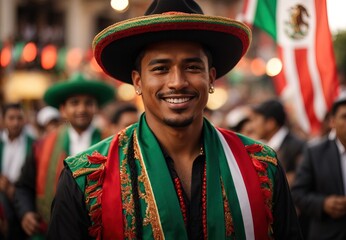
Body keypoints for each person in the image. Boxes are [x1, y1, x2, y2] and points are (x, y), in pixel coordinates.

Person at [48, 1, 302, 239]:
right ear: (138, 81)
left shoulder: (262, 166)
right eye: (160, 68)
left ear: (211, 78)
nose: (178, 82)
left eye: (192, 67)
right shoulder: (86, 178)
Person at [14, 73, 114, 238]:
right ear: (63, 109)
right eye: (74, 103)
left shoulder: (111, 143)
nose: (82, 109)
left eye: (88, 103)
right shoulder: (42, 146)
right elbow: (23, 186)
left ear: (95, 107)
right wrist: (26, 212)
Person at [291, 96, 346, 240]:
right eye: (344, 117)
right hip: (328, 233)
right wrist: (323, 204)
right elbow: (297, 193)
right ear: (332, 122)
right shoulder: (314, 152)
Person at [250, 99, 305, 187]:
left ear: (270, 123)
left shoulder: (297, 147)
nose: (252, 126)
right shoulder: (260, 148)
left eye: (256, 120)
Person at [0, 103, 35, 240]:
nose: (15, 123)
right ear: (3, 120)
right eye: (11, 118)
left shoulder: (34, 144)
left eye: (19, 118)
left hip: (24, 197)